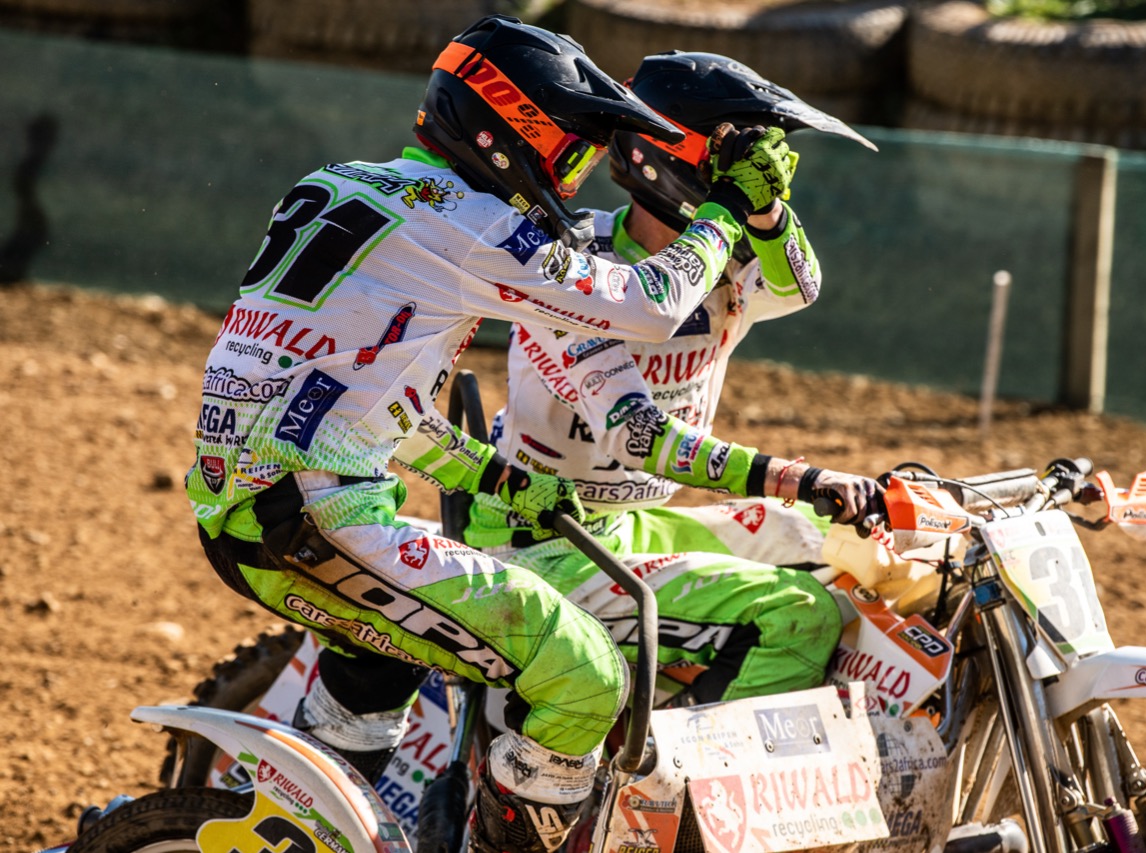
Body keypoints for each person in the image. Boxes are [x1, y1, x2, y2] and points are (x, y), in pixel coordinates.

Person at [186, 17, 799, 853]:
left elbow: (358, 402)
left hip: (259, 507)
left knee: (382, 661)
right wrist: (727, 211)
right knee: (586, 673)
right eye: (568, 153)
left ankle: (293, 822)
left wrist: (501, 479)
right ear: (507, 131)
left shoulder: (343, 185)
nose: (572, 179)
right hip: (312, 523)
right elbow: (648, 305)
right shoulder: (470, 221)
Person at [448, 51, 881, 711]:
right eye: (734, 158)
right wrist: (799, 476)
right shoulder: (568, 266)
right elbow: (637, 437)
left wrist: (766, 212)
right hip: (541, 546)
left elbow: (800, 287)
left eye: (760, 161)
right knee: (801, 613)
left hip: (622, 525)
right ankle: (675, 762)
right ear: (668, 159)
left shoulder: (728, 268)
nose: (751, 173)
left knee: (826, 542)